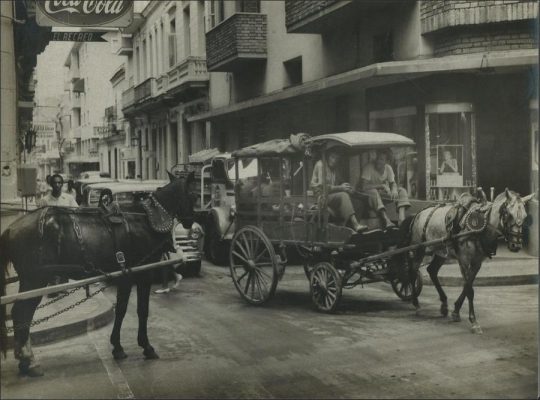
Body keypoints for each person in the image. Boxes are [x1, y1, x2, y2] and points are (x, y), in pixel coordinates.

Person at [39, 174, 79, 297]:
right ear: (51, 185)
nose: (57, 185)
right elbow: (41, 217)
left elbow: (77, 212)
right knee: (52, 259)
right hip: (51, 236)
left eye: (59, 183)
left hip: (67, 234)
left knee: (66, 257)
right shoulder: (45, 200)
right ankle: (53, 285)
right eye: (55, 183)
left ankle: (63, 283)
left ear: (62, 184)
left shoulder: (68, 198)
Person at [311, 150, 367, 233]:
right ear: (327, 156)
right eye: (332, 157)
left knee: (358, 203)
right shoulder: (321, 164)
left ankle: (350, 228)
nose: (334, 160)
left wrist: (348, 188)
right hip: (321, 197)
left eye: (337, 159)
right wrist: (341, 188)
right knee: (343, 195)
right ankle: (355, 224)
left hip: (332, 196)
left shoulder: (334, 168)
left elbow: (341, 182)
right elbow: (322, 187)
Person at [359, 150, 411, 228]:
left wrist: (393, 189)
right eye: (377, 158)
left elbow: (393, 183)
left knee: (402, 191)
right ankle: (386, 220)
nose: (378, 161)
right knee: (373, 192)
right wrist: (381, 186)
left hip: (382, 195)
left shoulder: (388, 168)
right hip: (369, 197)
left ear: (387, 161)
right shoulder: (368, 167)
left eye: (381, 159)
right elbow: (363, 187)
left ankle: (401, 219)